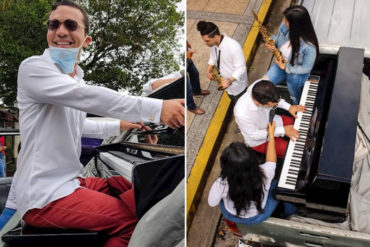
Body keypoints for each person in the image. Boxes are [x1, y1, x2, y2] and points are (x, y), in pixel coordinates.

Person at [9, 1, 184, 246]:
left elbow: (79, 127)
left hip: (68, 181)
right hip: (45, 194)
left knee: (125, 185)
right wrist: (158, 109)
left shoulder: (74, 80)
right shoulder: (34, 68)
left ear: (86, 40)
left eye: (70, 25)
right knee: (133, 222)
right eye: (54, 24)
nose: (60, 31)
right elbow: (90, 97)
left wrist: (126, 125)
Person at [208, 122, 295, 224]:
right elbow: (271, 161)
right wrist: (271, 136)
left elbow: (212, 203)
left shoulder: (220, 183)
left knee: (222, 202)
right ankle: (290, 213)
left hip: (232, 215)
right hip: (258, 216)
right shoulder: (265, 173)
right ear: (253, 159)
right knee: (281, 186)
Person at [234, 79, 304, 158]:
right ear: (259, 103)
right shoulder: (242, 113)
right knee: (291, 152)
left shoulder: (261, 85)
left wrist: (289, 107)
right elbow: (254, 135)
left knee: (302, 126)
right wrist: (283, 130)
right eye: (272, 105)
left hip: (273, 121)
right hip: (261, 140)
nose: (276, 104)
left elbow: (276, 100)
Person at [264, 5, 319, 105]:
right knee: (263, 84)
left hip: (296, 73)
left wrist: (286, 68)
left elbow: (306, 68)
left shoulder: (309, 47)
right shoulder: (284, 26)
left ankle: (296, 105)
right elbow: (278, 40)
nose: (284, 22)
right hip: (280, 64)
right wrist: (272, 43)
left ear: (296, 25)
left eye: (286, 21)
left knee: (294, 96)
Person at [196, 21, 248, 103]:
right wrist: (208, 69)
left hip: (237, 87)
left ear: (216, 36)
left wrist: (229, 81)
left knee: (242, 105)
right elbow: (213, 56)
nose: (205, 43)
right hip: (227, 85)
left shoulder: (233, 47)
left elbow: (241, 68)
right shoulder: (214, 45)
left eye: (207, 41)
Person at [186, 41, 209, 115]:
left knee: (195, 73)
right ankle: (191, 106)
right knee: (187, 88)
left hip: (187, 60)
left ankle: (196, 91)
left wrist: (186, 42)